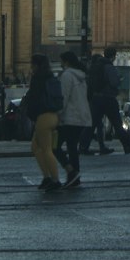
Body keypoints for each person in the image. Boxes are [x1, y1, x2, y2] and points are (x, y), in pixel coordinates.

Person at [23, 54, 63, 191]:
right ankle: (47, 177)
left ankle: (55, 180)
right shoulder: (51, 77)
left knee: (46, 149)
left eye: (32, 64)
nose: (31, 67)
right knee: (36, 147)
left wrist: (29, 113)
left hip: (43, 117)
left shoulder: (38, 78)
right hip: (53, 116)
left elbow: (33, 99)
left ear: (36, 65)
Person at [57, 50, 92, 189]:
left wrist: (58, 114)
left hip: (70, 117)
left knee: (54, 146)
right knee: (72, 147)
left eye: (61, 61)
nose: (60, 64)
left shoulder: (67, 76)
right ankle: (74, 176)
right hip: (81, 117)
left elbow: (63, 97)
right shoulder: (81, 77)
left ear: (66, 62)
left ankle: (71, 172)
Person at [100, 46, 130, 156]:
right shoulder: (109, 67)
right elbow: (114, 82)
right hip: (108, 98)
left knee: (95, 124)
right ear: (113, 56)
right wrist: (119, 79)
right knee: (117, 124)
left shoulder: (99, 65)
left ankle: (85, 146)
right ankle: (128, 145)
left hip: (97, 98)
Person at [82, 53, 113, 155]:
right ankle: (93, 146)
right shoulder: (96, 71)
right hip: (94, 101)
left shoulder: (90, 71)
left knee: (95, 125)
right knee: (94, 125)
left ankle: (89, 146)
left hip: (91, 101)